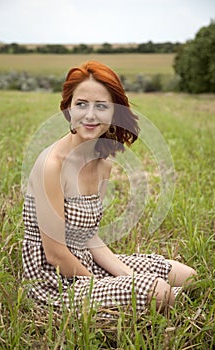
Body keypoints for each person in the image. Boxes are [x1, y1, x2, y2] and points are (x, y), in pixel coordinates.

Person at [22, 60, 196, 315]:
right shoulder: (52, 165)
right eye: (81, 104)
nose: (90, 115)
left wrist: (126, 275)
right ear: (69, 108)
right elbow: (56, 255)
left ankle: (143, 295)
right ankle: (146, 298)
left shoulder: (103, 165)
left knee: (188, 276)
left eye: (101, 106)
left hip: (85, 261)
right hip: (55, 282)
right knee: (160, 293)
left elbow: (89, 237)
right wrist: (106, 283)